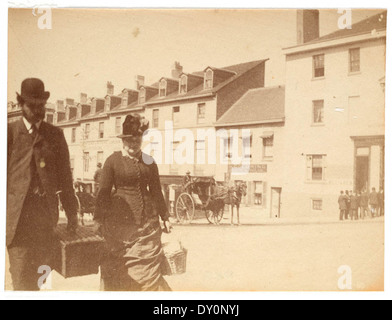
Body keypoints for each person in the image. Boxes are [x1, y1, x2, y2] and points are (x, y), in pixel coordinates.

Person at [7, 78, 78, 291]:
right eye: (32, 105)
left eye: (41, 105)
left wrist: (72, 214)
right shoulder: (9, 133)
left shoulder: (55, 135)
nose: (38, 110)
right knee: (20, 282)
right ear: (21, 105)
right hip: (17, 225)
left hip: (45, 225)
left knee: (40, 284)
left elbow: (66, 179)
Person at [94, 114, 172, 291]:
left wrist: (165, 216)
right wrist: (98, 219)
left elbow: (156, 191)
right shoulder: (112, 161)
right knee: (118, 270)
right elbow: (103, 192)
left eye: (136, 140)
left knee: (149, 273)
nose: (133, 144)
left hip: (148, 225)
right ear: (123, 140)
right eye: (129, 140)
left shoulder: (149, 162)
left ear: (141, 140)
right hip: (118, 224)